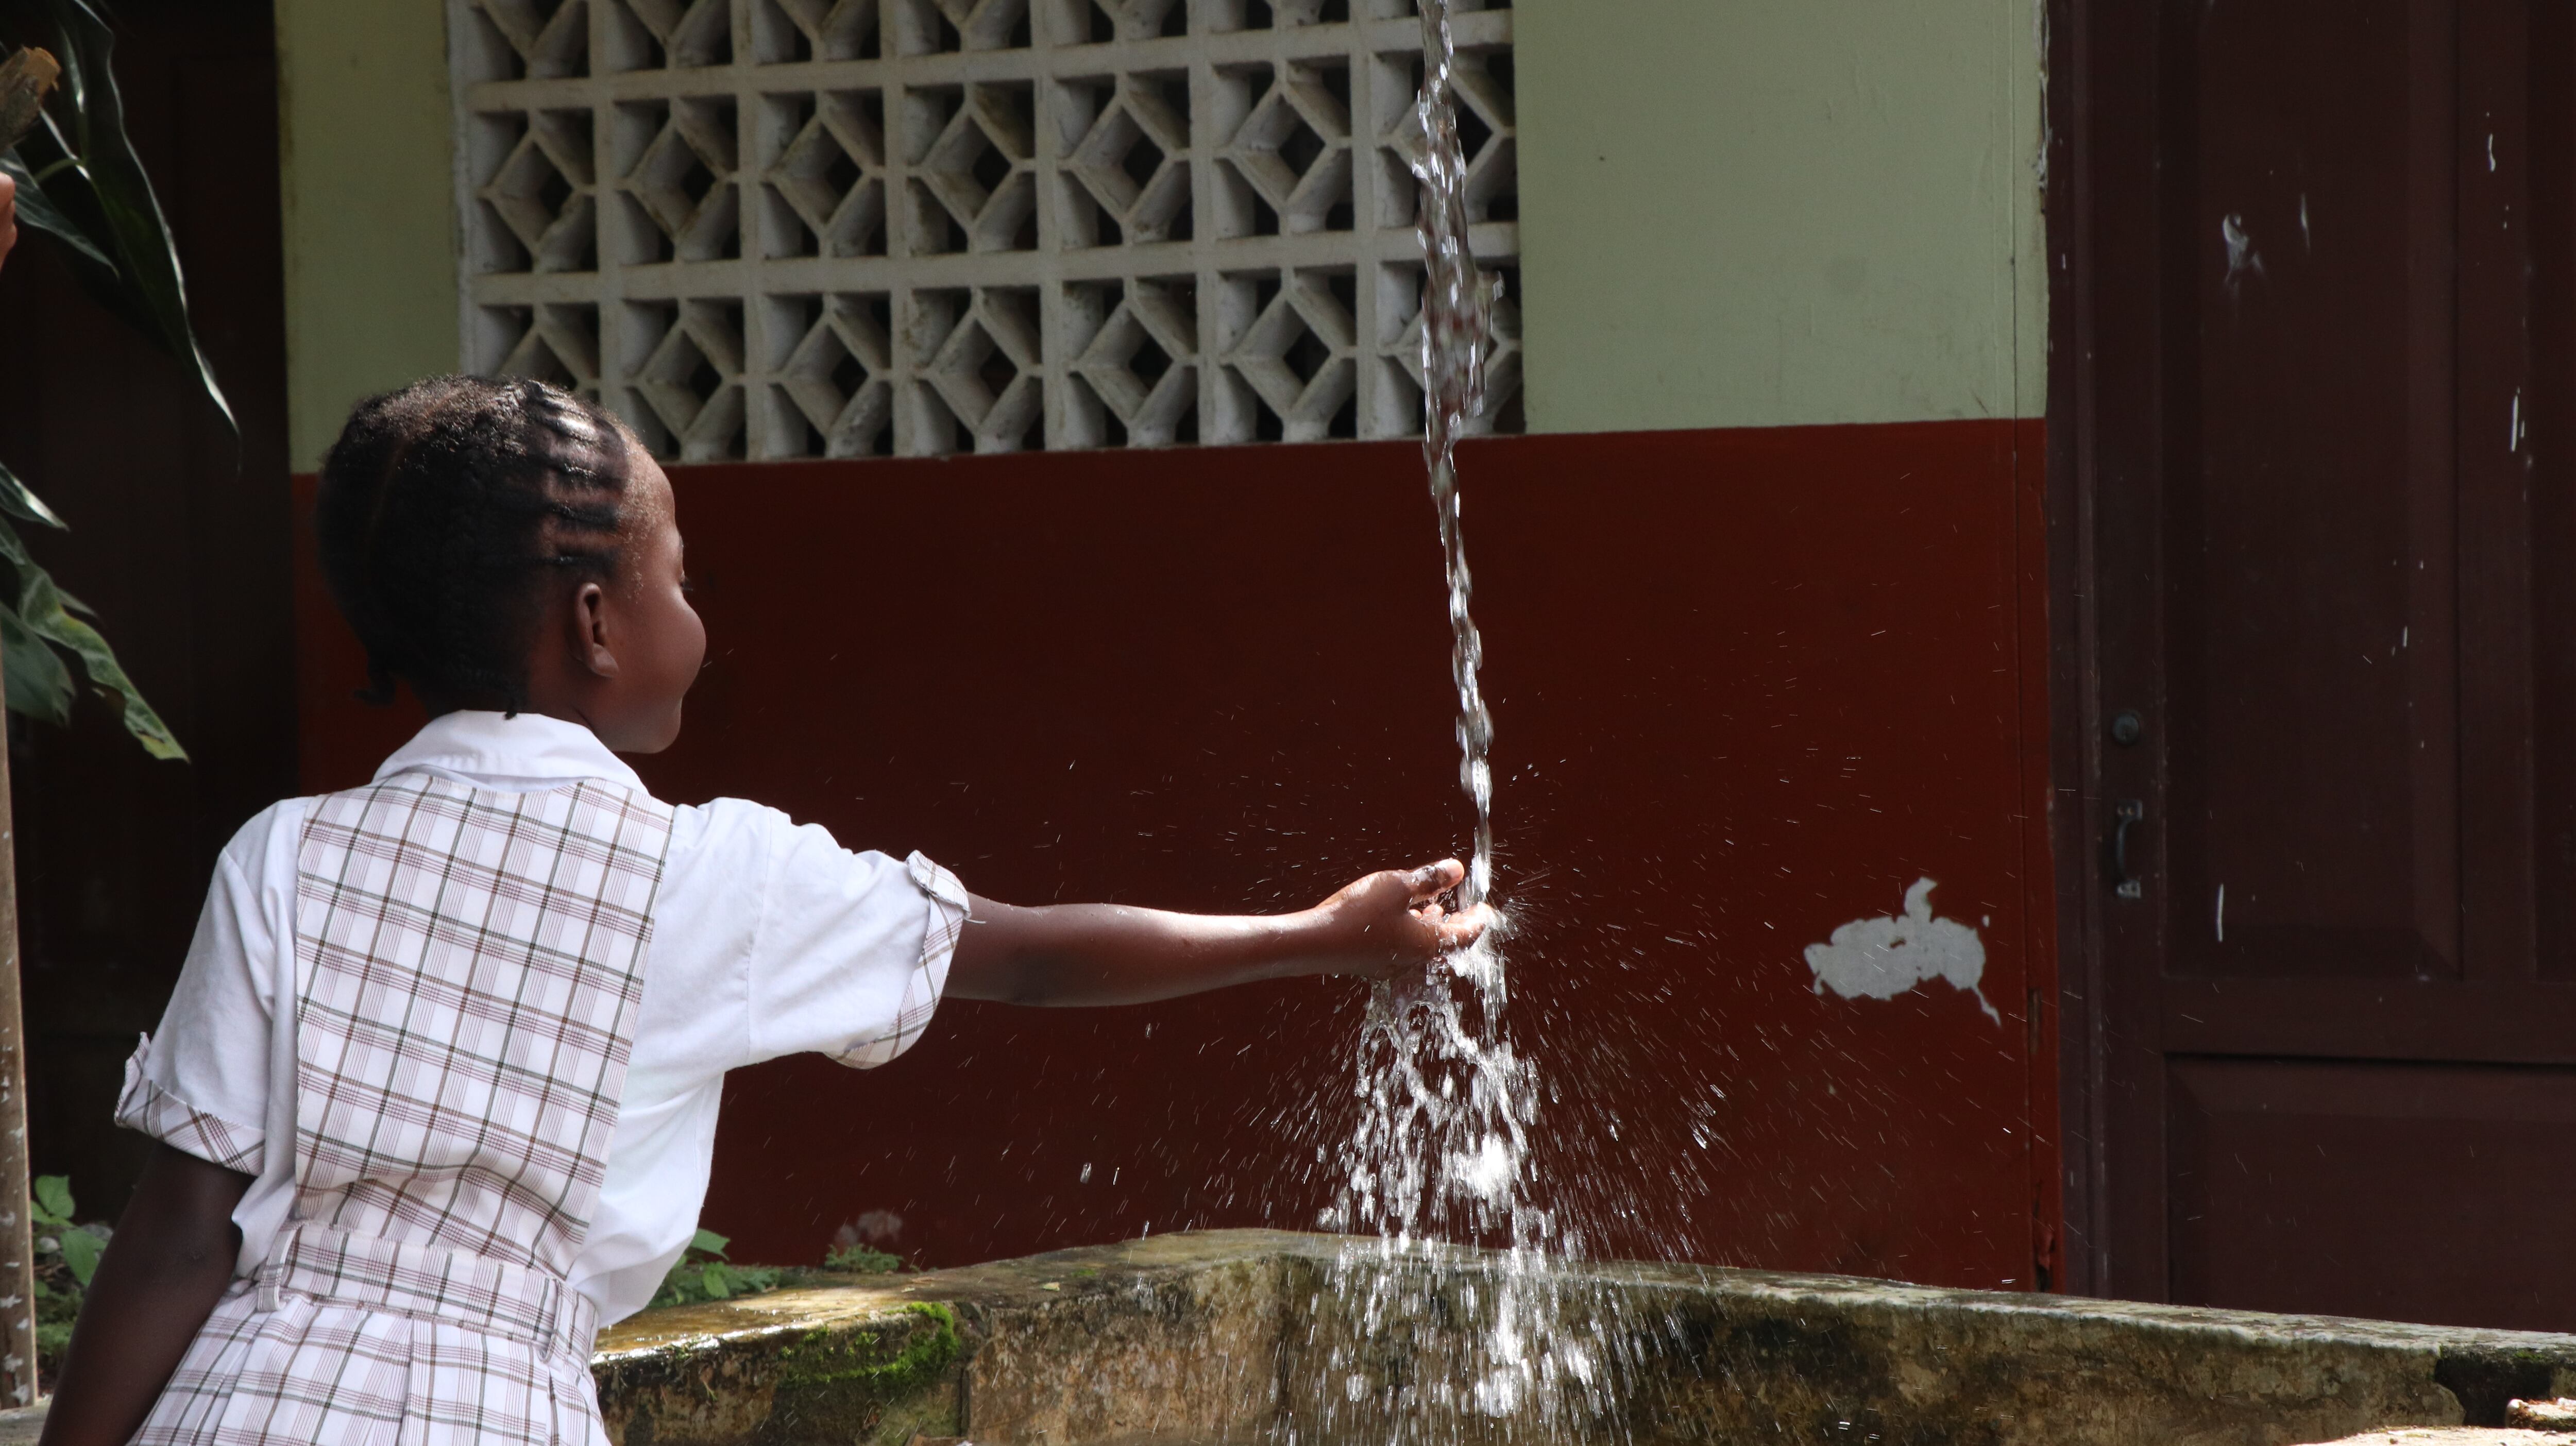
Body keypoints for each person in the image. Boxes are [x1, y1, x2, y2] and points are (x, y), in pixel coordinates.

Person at [34, 376, 1487, 1444]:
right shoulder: (714, 880)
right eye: (680, 576)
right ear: (598, 627)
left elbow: (177, 1234)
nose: (700, 617)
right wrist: (1321, 938)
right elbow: (1034, 954)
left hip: (230, 1409)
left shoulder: (284, 856)